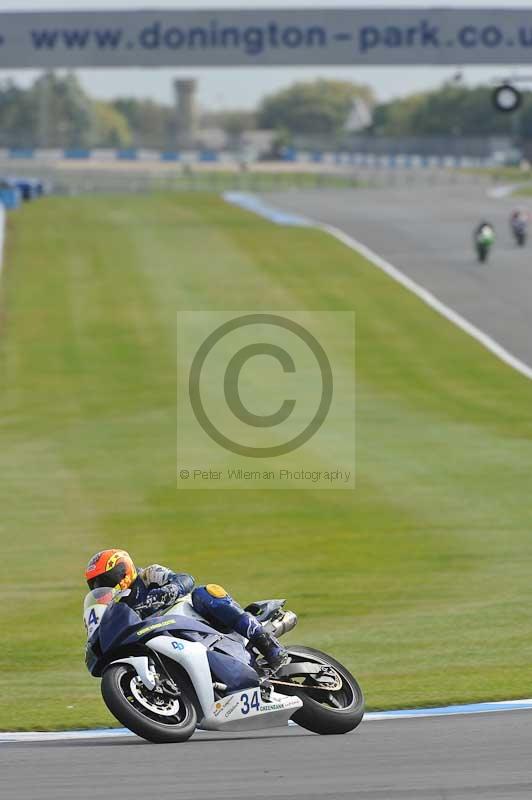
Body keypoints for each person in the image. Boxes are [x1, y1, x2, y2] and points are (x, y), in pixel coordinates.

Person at [84, 548, 289, 671]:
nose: (104, 586)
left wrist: (168, 590)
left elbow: (185, 579)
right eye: (97, 584)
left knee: (205, 592)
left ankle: (267, 644)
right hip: (162, 638)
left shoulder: (148, 575)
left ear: (124, 569)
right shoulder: (118, 608)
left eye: (108, 579)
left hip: (193, 619)